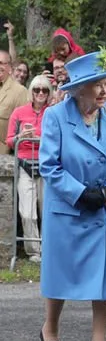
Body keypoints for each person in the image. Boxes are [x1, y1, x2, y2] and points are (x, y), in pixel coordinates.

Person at [38, 51, 106, 341]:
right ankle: (50, 330)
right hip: (67, 210)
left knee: (104, 279)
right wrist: (80, 194)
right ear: (78, 89)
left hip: (103, 208)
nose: (104, 90)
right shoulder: (55, 116)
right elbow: (49, 166)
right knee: (59, 275)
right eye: (97, 85)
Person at [6, 75, 54, 263]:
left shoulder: (53, 112)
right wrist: (21, 136)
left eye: (44, 90)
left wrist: (41, 138)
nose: (40, 93)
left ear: (49, 93)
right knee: (27, 212)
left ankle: (49, 247)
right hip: (25, 164)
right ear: (31, 92)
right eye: (36, 90)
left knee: (47, 210)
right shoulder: (19, 112)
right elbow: (9, 140)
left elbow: (60, 138)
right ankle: (34, 251)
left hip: (47, 165)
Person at [0, 50, 28, 154]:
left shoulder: (20, 91)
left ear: (10, 68)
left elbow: (25, 127)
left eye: (2, 63)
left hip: (5, 157)